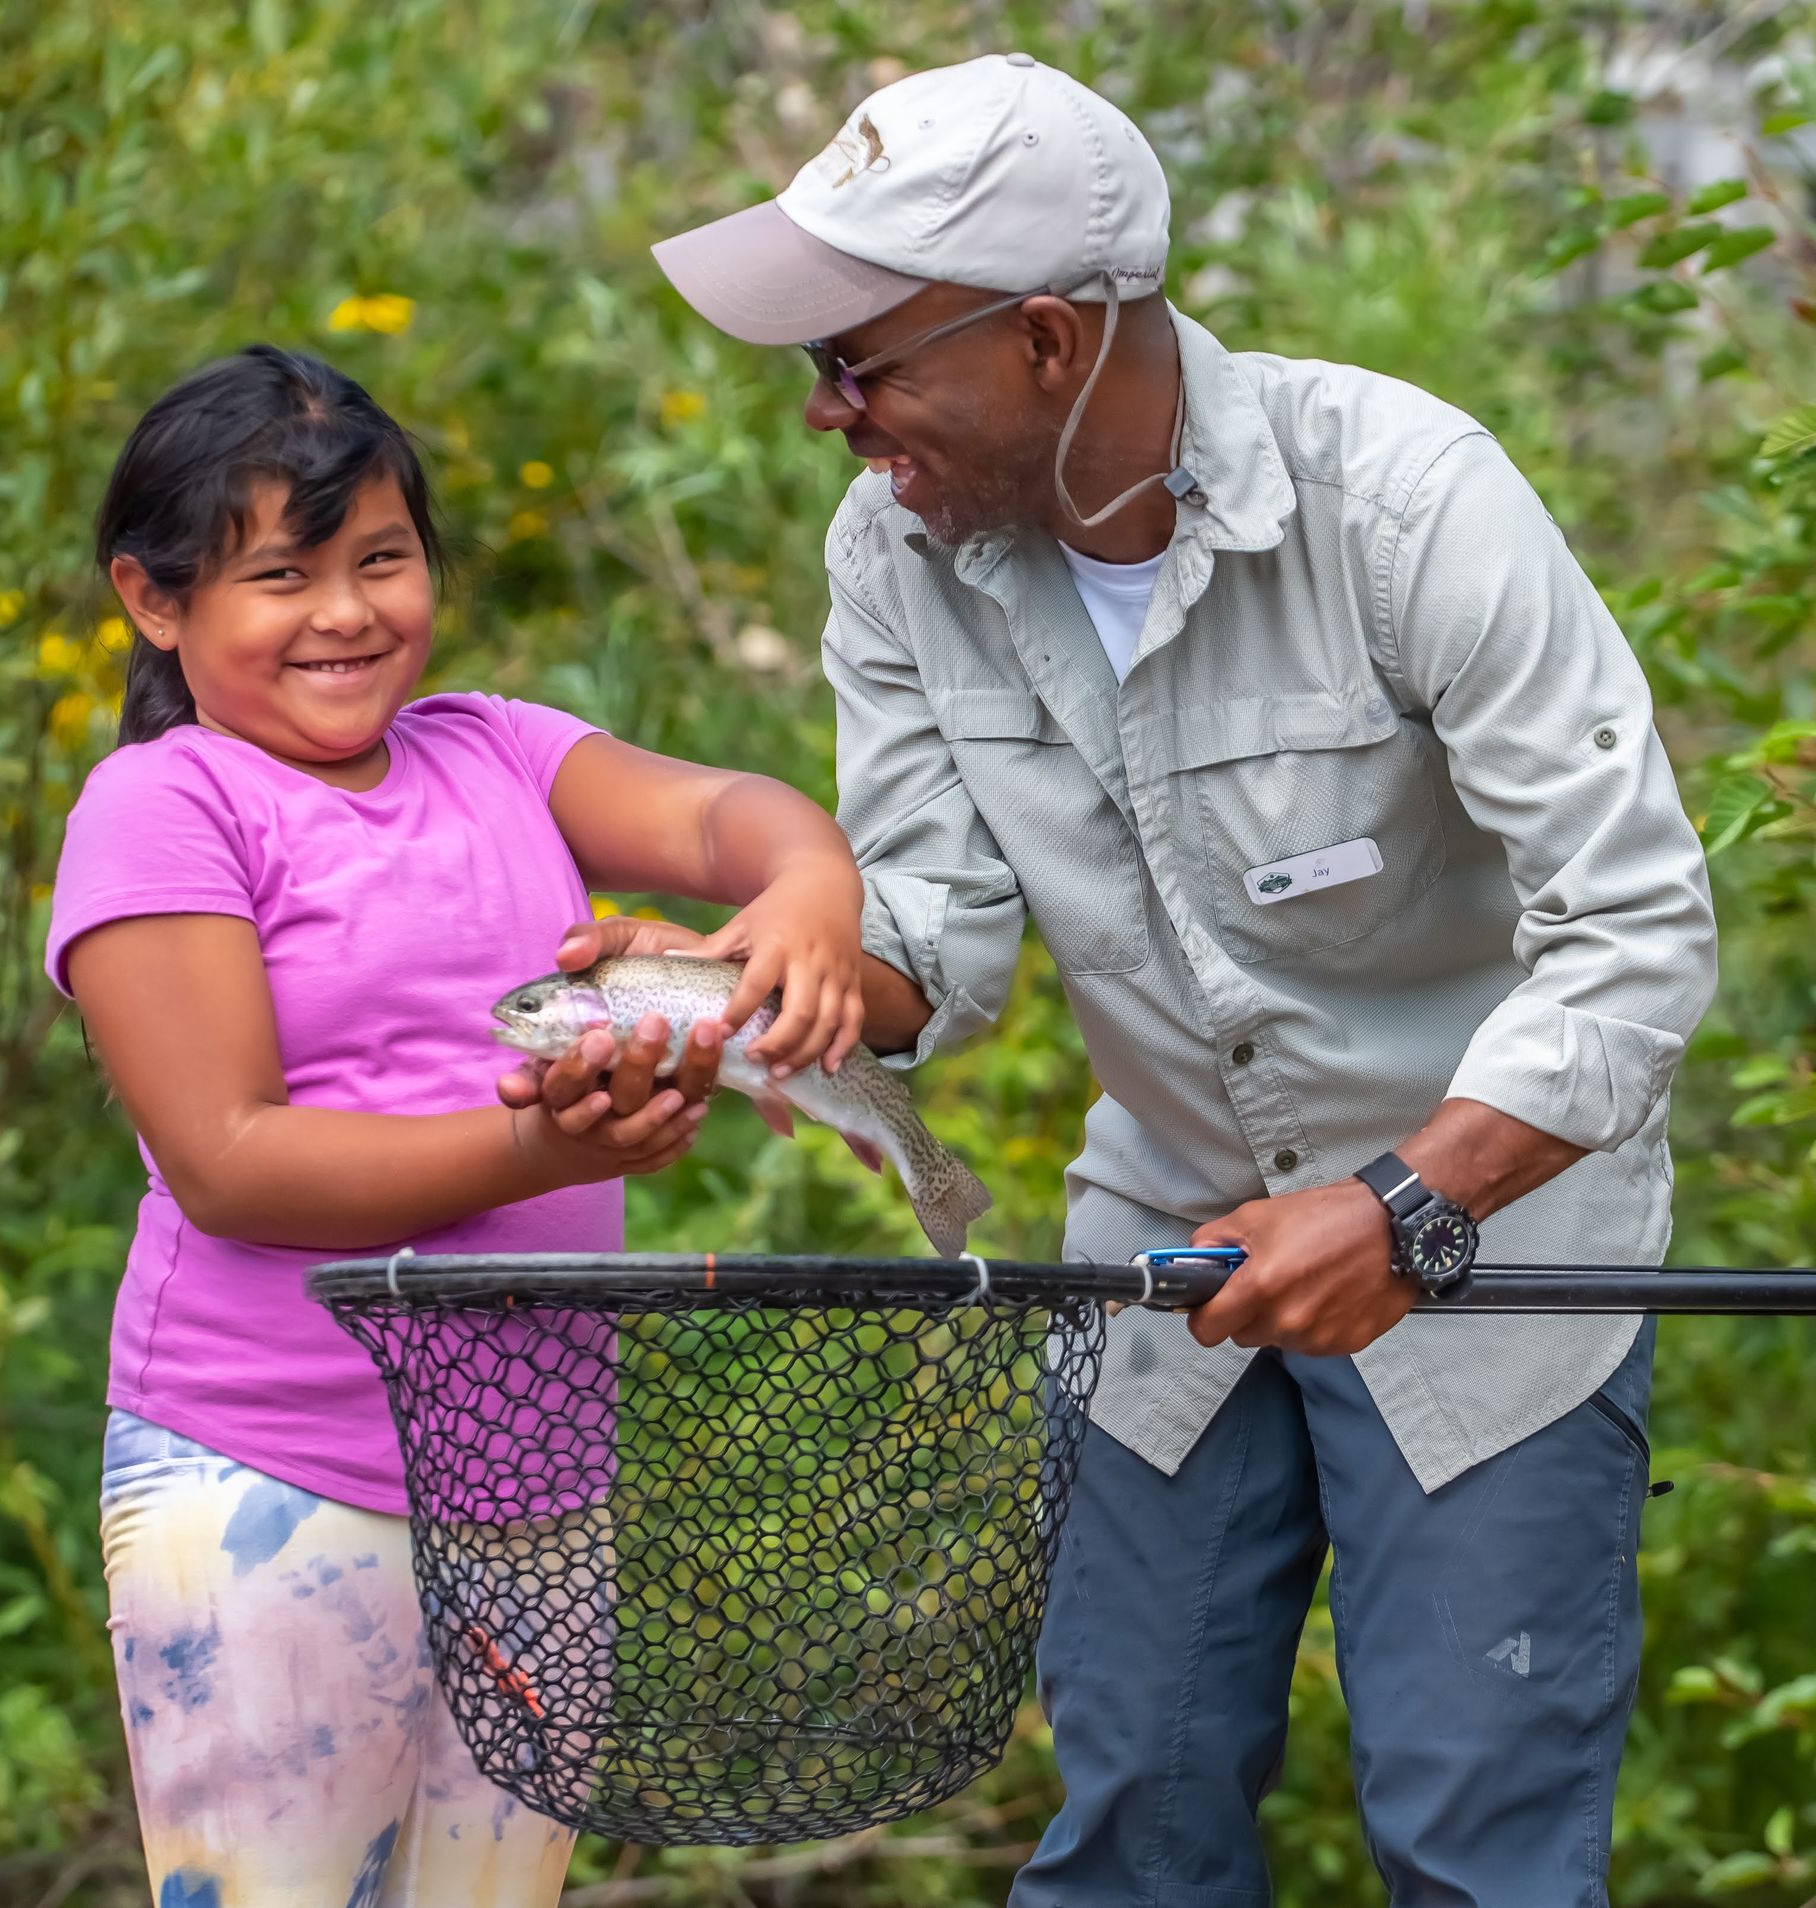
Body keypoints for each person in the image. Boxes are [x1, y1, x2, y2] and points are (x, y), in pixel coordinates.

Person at [548, 52, 1718, 1906]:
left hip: (1494, 1244)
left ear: (1044, 339)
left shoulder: (1406, 502)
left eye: (861, 363)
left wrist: (1406, 1206)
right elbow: (933, 946)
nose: (828, 419)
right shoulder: (895, 554)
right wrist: (745, 986)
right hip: (1164, 1236)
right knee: (1131, 1835)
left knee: (1472, 1849)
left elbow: (1637, 933)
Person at [48, 344, 866, 1908]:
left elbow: (717, 818)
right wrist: (539, 1157)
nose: (348, 613)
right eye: (283, 575)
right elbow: (229, 1161)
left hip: (539, 1489)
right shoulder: (167, 806)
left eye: (383, 560)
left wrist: (809, 883)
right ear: (157, 603)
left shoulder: (496, 748)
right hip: (271, 1480)